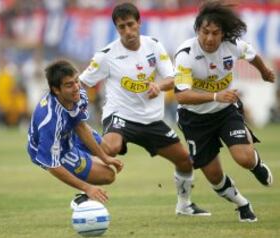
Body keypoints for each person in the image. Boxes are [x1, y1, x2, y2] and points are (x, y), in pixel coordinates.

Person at [79, 2, 210, 216]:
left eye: (131, 24)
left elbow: (172, 78)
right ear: (116, 29)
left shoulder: (154, 46)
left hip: (151, 121)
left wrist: (158, 86)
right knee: (110, 147)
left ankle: (184, 205)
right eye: (122, 27)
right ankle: (83, 191)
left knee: (185, 161)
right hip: (120, 115)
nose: (128, 31)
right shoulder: (106, 55)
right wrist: (75, 109)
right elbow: (82, 83)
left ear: (139, 23)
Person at [173, 1, 275, 222]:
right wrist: (215, 95)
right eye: (205, 32)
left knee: (244, 158)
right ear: (197, 30)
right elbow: (181, 95)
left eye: (215, 33)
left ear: (223, 33)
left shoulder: (233, 45)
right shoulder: (185, 54)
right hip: (194, 119)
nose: (209, 38)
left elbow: (252, 55)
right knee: (214, 176)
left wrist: (265, 71)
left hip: (225, 111)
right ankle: (242, 203)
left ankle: (256, 164)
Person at [27, 60, 123, 204]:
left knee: (110, 150)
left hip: (69, 130)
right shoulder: (49, 120)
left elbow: (80, 126)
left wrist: (104, 157)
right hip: (58, 150)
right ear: (56, 90)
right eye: (69, 85)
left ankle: (90, 163)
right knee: (109, 176)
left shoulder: (78, 95)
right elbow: (52, 165)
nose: (76, 87)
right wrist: (88, 187)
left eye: (76, 81)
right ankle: (81, 199)